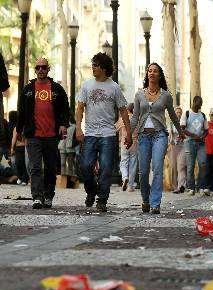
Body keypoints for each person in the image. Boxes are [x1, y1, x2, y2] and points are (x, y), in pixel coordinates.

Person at [76, 52, 132, 212]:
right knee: (86, 166)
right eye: (92, 64)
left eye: (96, 65)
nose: (93, 67)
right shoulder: (87, 85)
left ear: (104, 68)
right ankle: (91, 190)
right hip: (91, 133)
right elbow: (80, 108)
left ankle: (102, 199)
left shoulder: (114, 87)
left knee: (106, 168)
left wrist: (128, 133)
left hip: (108, 134)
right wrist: (79, 128)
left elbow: (123, 111)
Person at [16, 58, 70, 209]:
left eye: (44, 67)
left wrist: (63, 125)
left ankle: (48, 196)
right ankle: (37, 197)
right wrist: (19, 130)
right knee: (35, 167)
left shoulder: (57, 89)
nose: (41, 70)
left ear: (48, 69)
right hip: (33, 134)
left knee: (51, 168)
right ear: (35, 69)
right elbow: (21, 112)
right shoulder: (28, 89)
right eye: (38, 67)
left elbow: (65, 110)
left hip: (51, 135)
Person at [130, 63, 182, 214]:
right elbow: (135, 118)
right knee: (143, 172)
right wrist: (129, 134)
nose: (152, 73)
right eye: (149, 71)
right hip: (143, 136)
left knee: (158, 168)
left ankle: (155, 203)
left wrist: (180, 131)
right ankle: (145, 199)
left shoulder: (166, 95)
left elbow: (172, 115)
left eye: (155, 71)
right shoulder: (139, 94)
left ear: (159, 75)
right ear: (147, 74)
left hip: (160, 135)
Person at [182, 95, 208, 196]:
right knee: (190, 166)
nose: (200, 106)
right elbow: (182, 128)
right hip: (189, 142)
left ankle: (201, 187)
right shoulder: (187, 113)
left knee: (203, 163)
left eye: (201, 104)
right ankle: (191, 188)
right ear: (194, 102)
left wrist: (202, 137)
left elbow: (206, 130)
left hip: (201, 143)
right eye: (198, 103)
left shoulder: (203, 115)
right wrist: (193, 136)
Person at [117, 103, 138, 192]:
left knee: (124, 162)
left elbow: (115, 129)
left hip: (124, 143)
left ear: (127, 110)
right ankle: (130, 186)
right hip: (135, 143)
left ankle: (124, 177)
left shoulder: (122, 119)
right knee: (133, 164)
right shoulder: (137, 119)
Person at [169, 106, 186, 193]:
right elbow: (170, 135)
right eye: (177, 112)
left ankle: (181, 186)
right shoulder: (171, 124)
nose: (178, 114)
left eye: (180, 112)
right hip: (173, 147)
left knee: (181, 166)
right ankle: (175, 187)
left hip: (182, 146)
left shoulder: (183, 124)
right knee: (174, 167)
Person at [8, 111, 27, 185]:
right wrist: (12, 148)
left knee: (25, 163)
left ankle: (24, 179)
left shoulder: (27, 127)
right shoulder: (16, 128)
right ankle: (20, 177)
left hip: (25, 147)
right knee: (19, 163)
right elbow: (14, 138)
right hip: (18, 147)